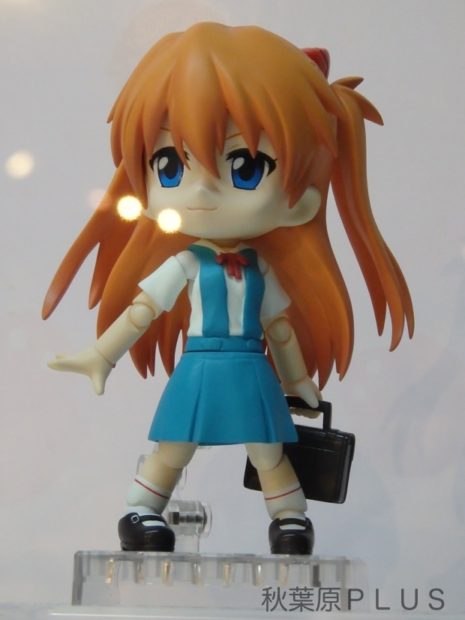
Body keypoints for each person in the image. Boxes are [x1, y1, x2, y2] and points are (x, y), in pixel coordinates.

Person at [43, 22, 414, 554]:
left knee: (267, 448)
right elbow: (143, 311)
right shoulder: (186, 265)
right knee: (175, 444)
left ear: (304, 199)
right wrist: (102, 355)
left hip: (248, 367)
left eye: (246, 166)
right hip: (199, 367)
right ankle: (142, 510)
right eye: (169, 165)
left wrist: (297, 381)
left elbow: (279, 330)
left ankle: (289, 518)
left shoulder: (261, 272)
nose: (202, 192)